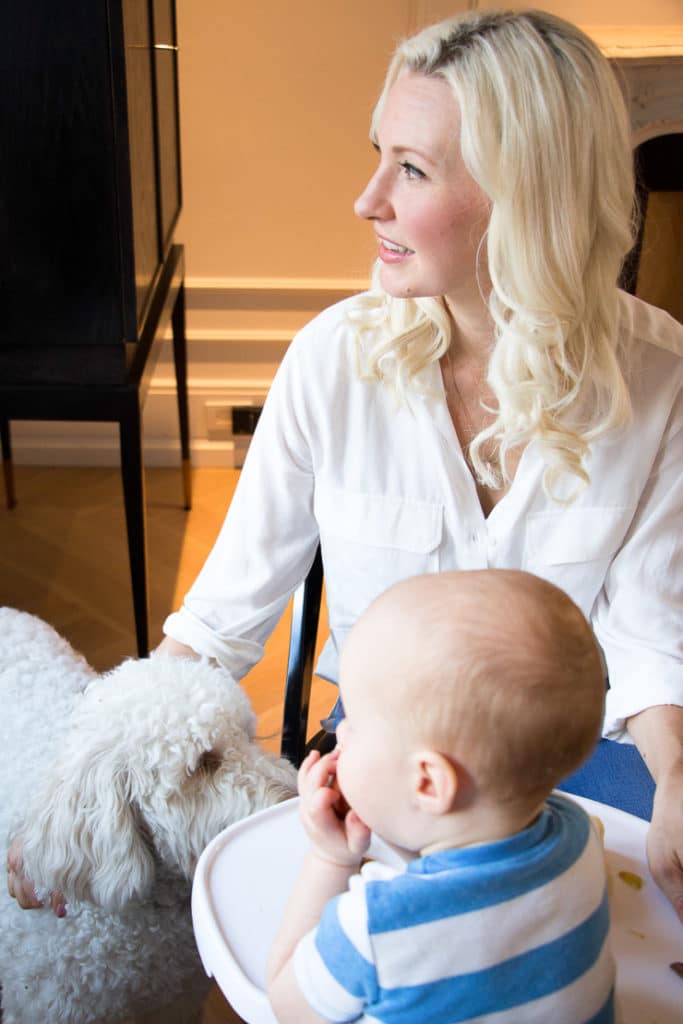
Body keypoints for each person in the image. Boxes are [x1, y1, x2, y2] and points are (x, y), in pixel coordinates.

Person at [8, 9, 683, 921]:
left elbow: (649, 635)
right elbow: (217, 624)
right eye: (380, 155)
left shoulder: (660, 376)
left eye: (411, 168)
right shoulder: (332, 361)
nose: (367, 201)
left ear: (526, 194)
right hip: (373, 768)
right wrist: (74, 806)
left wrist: (677, 771)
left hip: (579, 765)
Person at [267, 569, 615, 1024]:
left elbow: (285, 1003)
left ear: (428, 783)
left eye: (354, 722)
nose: (340, 733)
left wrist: (329, 859)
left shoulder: (374, 927)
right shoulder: (581, 838)